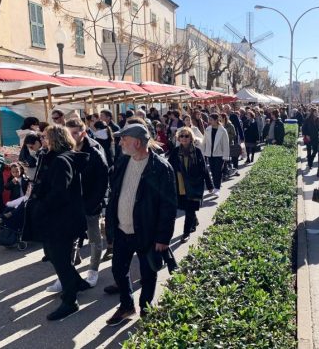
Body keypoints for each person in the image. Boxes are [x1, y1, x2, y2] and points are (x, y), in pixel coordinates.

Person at [104, 123, 177, 325]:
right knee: (118, 270)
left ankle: (146, 307)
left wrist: (163, 237)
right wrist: (110, 225)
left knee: (148, 274)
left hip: (147, 232)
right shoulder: (122, 162)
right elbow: (115, 193)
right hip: (121, 230)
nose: (120, 143)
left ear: (136, 142)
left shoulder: (161, 168)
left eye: (123, 140)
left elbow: (168, 206)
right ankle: (127, 306)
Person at [22, 125, 90, 320]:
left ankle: (70, 301)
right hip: (63, 218)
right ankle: (78, 283)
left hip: (61, 220)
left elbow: (59, 192)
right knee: (55, 255)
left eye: (45, 137)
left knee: (58, 258)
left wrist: (41, 206)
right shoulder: (61, 157)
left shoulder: (61, 160)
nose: (42, 140)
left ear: (54, 139)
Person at [66, 119, 109, 287]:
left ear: (83, 133)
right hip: (73, 204)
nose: (71, 136)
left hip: (91, 203)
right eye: (69, 133)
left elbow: (103, 181)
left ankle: (93, 270)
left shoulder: (95, 151)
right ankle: (67, 272)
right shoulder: (67, 149)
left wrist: (94, 203)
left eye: (75, 133)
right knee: (70, 238)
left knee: (94, 238)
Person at [169, 127, 213, 243]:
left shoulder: (197, 152)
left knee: (189, 209)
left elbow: (204, 169)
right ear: (178, 138)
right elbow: (168, 168)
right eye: (181, 136)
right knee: (186, 207)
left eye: (186, 136)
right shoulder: (175, 152)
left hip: (194, 184)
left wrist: (210, 185)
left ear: (191, 138)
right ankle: (194, 220)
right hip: (180, 185)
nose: (184, 138)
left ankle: (186, 233)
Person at [202, 114, 230, 197]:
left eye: (211, 119)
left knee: (218, 171)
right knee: (213, 171)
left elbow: (226, 144)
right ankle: (215, 186)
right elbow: (204, 142)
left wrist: (225, 157)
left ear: (216, 120)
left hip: (219, 154)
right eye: (209, 119)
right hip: (210, 154)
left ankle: (217, 188)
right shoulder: (207, 129)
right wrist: (203, 152)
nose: (209, 121)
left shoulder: (223, 130)